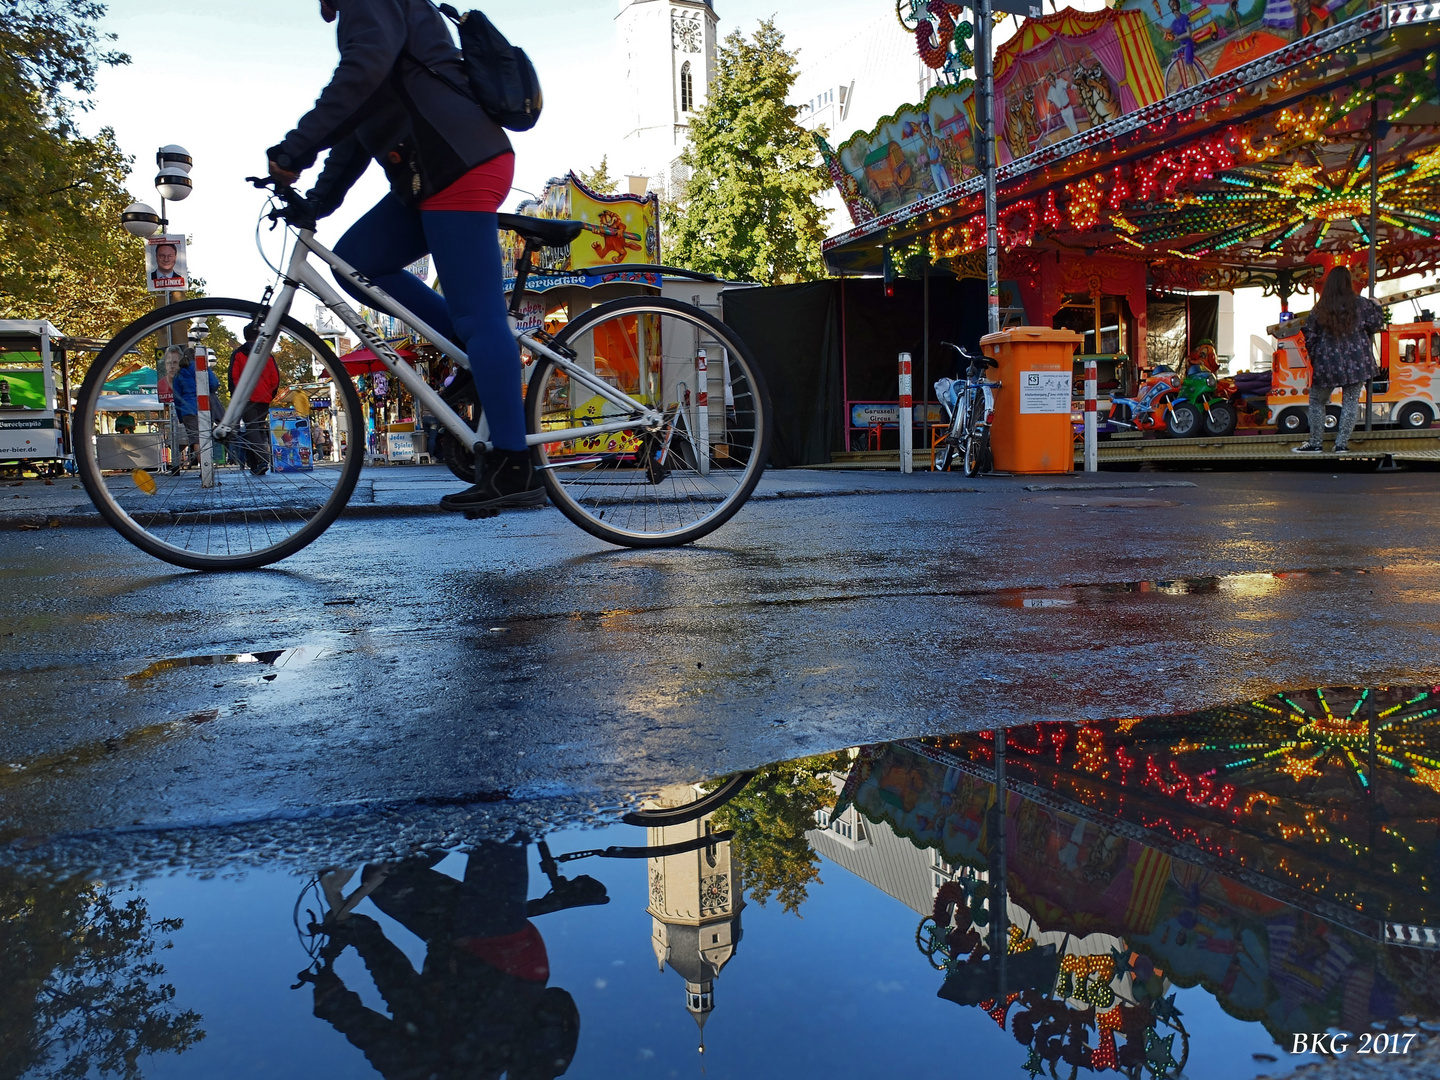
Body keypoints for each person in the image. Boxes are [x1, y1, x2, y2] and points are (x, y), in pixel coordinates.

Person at [267, 0, 541, 513]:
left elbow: (362, 72)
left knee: (479, 317)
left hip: (457, 162)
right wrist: (318, 201)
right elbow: (355, 127)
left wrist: (294, 148)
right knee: (357, 259)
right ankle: (471, 349)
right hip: (430, 172)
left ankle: (513, 463)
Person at [1294, 266, 1384, 454]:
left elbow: (1309, 334)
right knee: (1351, 401)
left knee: (1317, 401)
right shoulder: (1361, 304)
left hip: (1328, 361)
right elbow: (1376, 325)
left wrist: (1316, 354)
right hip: (1357, 360)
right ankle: (1341, 444)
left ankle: (1316, 442)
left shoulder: (1320, 307)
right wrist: (1377, 305)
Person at [229, 325, 282, 476]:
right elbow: (275, 379)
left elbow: (234, 377)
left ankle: (262, 460)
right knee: (257, 429)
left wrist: (238, 397)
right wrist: (268, 395)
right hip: (263, 399)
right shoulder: (267, 355)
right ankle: (256, 464)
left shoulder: (239, 354)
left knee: (252, 430)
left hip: (247, 398)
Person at [170, 347, 221, 468]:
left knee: (196, 440)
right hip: (205, 408)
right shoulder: (203, 368)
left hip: (188, 410)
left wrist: (180, 416)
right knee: (206, 438)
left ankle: (204, 468)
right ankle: (208, 466)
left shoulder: (178, 374)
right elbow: (214, 384)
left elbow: (177, 397)